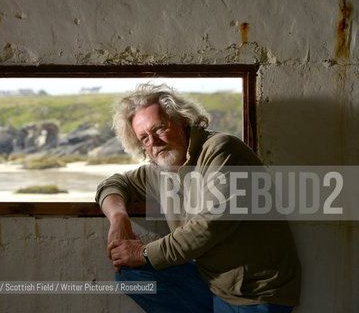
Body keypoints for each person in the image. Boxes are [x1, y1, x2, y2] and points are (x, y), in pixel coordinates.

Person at [95, 83, 301, 313]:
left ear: (183, 120)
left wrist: (142, 252)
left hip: (253, 292)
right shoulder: (160, 168)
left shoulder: (222, 150)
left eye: (159, 128)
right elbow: (112, 185)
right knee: (132, 273)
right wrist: (119, 219)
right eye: (144, 138)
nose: (153, 143)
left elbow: (209, 226)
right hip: (209, 280)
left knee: (138, 261)